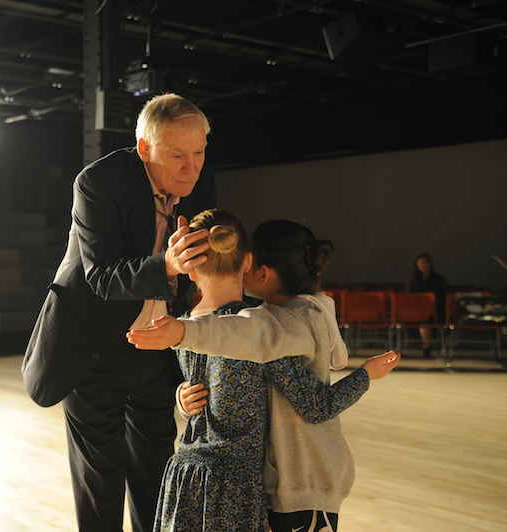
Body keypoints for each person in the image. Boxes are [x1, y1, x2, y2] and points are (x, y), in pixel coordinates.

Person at [21, 93, 216, 532]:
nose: (192, 167)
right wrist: (168, 264)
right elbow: (103, 277)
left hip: (160, 346)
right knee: (100, 478)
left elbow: (203, 271)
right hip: (94, 346)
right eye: (178, 155)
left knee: (157, 474)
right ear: (146, 149)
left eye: (200, 152)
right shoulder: (99, 181)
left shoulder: (199, 183)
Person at [128, 219, 400, 532]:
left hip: (234, 479)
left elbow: (241, 338)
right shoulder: (244, 325)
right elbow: (310, 401)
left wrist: (181, 342)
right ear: (245, 262)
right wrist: (183, 396)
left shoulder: (258, 328)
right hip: (245, 485)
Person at [405, 253, 448, 358]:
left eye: (426, 262)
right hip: (417, 311)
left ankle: (426, 346)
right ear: (417, 265)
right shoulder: (413, 280)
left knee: (426, 320)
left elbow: (442, 297)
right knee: (422, 320)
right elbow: (408, 297)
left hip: (435, 310)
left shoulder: (438, 280)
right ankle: (426, 346)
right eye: (422, 263)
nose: (424, 265)